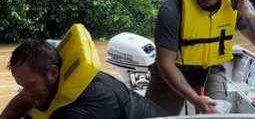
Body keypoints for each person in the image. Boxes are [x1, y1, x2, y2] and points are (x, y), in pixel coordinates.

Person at [145, 0, 255, 116]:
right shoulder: (171, 10)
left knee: (216, 114)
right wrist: (195, 99)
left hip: (210, 69)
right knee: (154, 116)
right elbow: (166, 64)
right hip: (173, 69)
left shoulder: (236, 5)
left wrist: (248, 13)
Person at [0, 39, 166, 119]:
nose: (27, 93)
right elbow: (23, 99)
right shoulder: (59, 80)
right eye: (23, 86)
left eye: (30, 86)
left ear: (53, 72)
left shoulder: (74, 113)